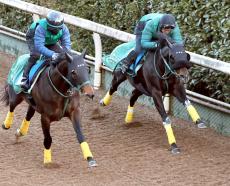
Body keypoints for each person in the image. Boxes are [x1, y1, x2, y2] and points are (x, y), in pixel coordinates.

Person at [20, 10, 71, 91]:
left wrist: (65, 54)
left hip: (50, 41)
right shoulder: (41, 27)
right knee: (35, 55)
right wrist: (52, 54)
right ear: (48, 25)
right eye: (53, 29)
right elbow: (39, 46)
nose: (56, 31)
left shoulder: (64, 29)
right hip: (33, 38)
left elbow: (67, 46)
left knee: (63, 56)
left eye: (58, 29)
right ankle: (24, 78)